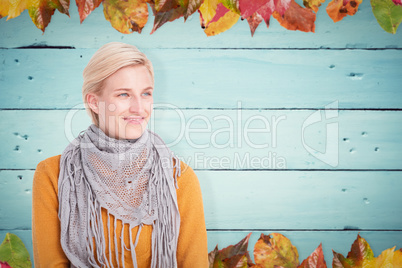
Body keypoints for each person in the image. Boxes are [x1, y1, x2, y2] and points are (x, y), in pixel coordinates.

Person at [32, 42, 208, 267]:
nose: (138, 107)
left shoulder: (178, 177)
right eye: (124, 94)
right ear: (94, 102)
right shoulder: (53, 175)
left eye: (146, 93)